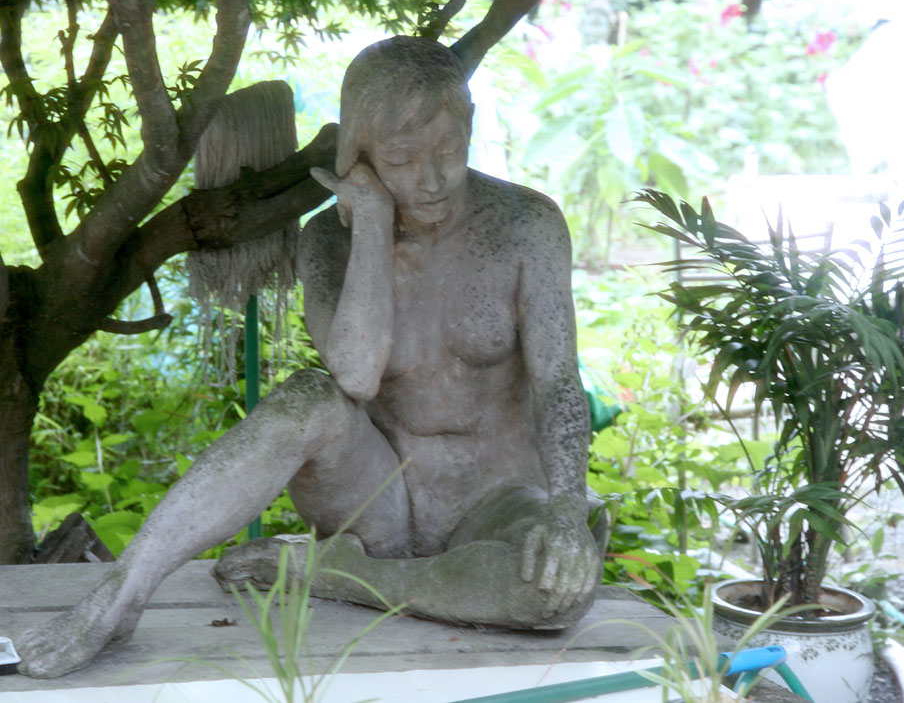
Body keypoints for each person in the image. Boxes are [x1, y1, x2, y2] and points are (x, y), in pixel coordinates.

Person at [17, 36, 601, 679]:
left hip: (498, 500)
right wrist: (371, 225)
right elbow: (356, 373)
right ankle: (121, 592)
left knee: (550, 594)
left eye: (449, 153)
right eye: (402, 160)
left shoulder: (525, 225)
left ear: (469, 128)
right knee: (307, 396)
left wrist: (567, 509)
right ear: (360, 156)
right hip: (377, 500)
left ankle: (335, 576)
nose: (432, 180)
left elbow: (558, 381)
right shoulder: (329, 238)